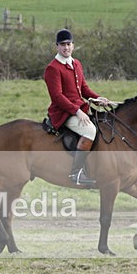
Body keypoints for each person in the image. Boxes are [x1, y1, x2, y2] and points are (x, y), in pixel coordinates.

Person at [44, 28, 112, 186]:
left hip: (79, 108)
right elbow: (57, 96)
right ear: (57, 47)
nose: (66, 47)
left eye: (68, 44)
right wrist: (77, 111)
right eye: (62, 45)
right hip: (62, 112)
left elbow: (83, 89)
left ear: (73, 46)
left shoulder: (76, 64)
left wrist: (97, 98)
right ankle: (76, 173)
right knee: (90, 130)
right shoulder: (53, 68)